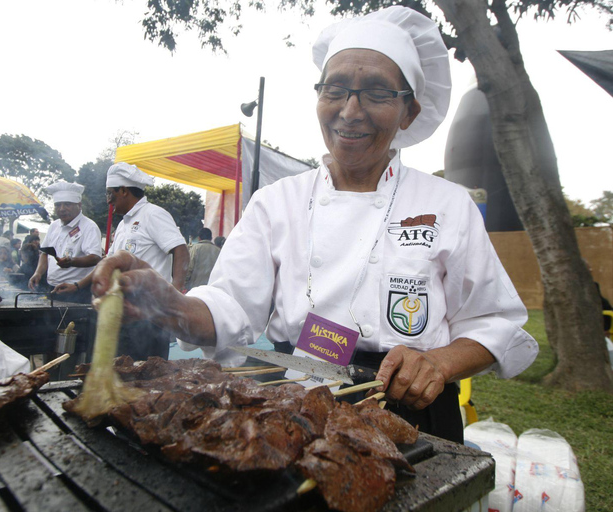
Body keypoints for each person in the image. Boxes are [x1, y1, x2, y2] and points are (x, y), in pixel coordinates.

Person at [89, 7, 539, 444]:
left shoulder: (448, 205)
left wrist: (438, 363)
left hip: (411, 412)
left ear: (409, 113)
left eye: (377, 92)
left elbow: (493, 319)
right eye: (335, 89)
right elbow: (231, 306)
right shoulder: (275, 203)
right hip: (298, 401)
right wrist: (167, 302)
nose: (350, 110)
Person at [58, 162, 189, 360]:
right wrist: (77, 286)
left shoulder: (153, 214)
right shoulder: (123, 225)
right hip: (124, 308)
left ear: (124, 191)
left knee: (148, 371)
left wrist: (175, 292)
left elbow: (180, 249)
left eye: (111, 194)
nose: (108, 200)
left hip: (150, 309)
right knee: (122, 366)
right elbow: (109, 263)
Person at [28, 181, 102, 303]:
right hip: (52, 287)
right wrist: (38, 273)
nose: (61, 209)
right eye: (58, 205)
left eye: (67, 204)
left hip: (77, 290)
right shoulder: (54, 226)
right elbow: (45, 253)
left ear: (79, 205)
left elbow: (95, 258)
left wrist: (72, 262)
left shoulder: (89, 227)